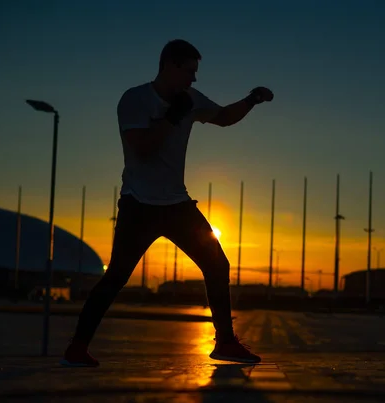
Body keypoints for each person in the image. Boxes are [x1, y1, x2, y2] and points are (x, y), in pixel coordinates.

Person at [61, 39, 273, 367]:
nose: (194, 80)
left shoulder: (190, 100)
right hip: (139, 205)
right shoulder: (134, 100)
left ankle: (225, 343)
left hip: (177, 205)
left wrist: (251, 100)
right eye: (189, 71)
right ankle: (77, 348)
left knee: (218, 265)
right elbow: (142, 148)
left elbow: (223, 117)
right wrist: (173, 118)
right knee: (116, 277)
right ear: (169, 66)